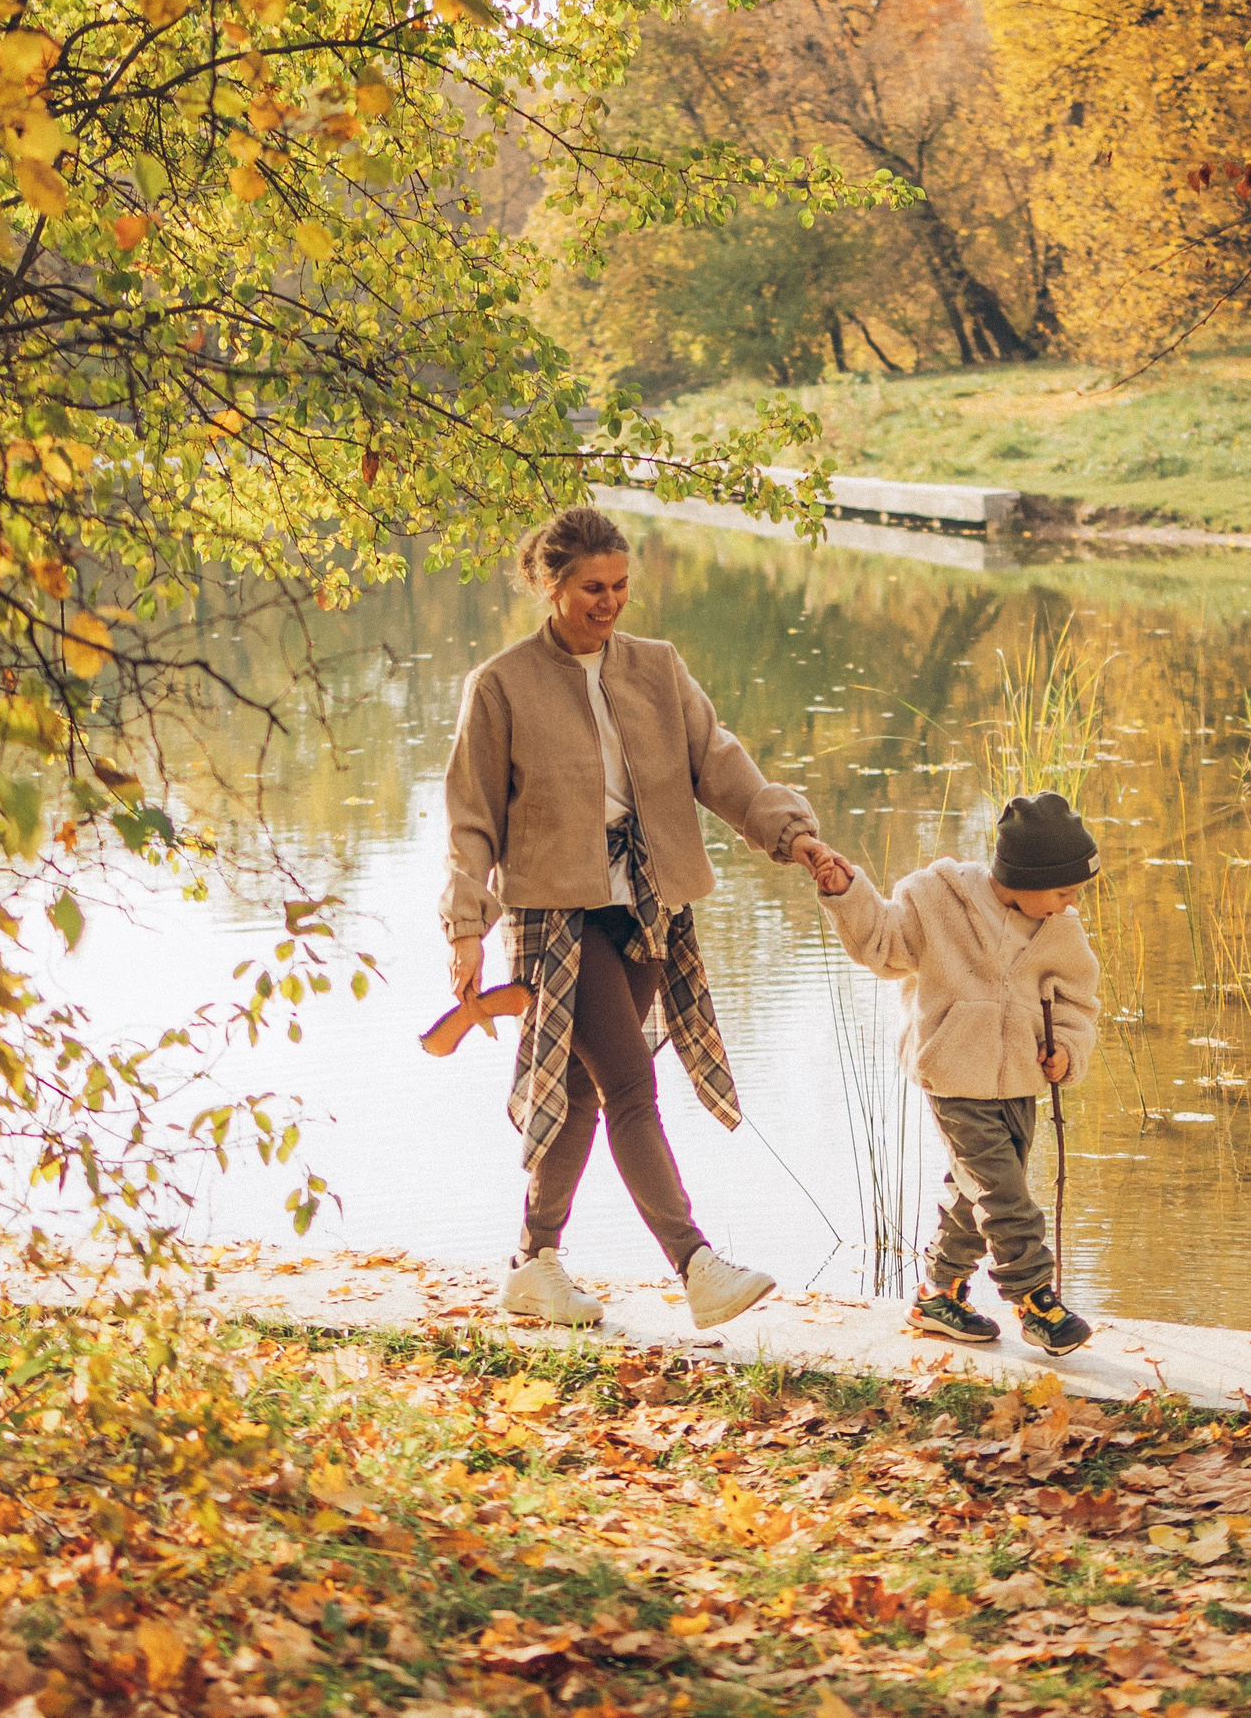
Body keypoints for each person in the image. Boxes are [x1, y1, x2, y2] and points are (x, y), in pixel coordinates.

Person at [442, 505, 852, 1329]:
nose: (610, 601)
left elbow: (721, 764)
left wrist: (797, 838)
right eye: (592, 587)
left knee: (590, 1090)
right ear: (549, 586)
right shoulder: (502, 684)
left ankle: (534, 1260)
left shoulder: (659, 670)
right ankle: (695, 1263)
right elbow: (470, 817)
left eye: (621, 585)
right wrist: (463, 926)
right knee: (630, 1084)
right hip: (557, 916)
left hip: (648, 906)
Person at [814, 791, 1103, 1355]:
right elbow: (883, 944)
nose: (1071, 902)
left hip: (1019, 1081)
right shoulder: (936, 901)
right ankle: (1035, 1299)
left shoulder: (1061, 931)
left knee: (976, 1192)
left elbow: (1077, 1005)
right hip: (953, 1076)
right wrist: (848, 894)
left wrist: (1065, 1051)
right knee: (1002, 1191)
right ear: (1025, 875)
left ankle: (937, 1295)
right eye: (1063, 889)